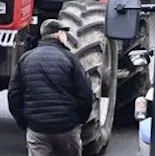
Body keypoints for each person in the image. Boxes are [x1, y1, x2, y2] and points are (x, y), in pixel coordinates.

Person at [7, 20, 93, 156]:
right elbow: (86, 93)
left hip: (37, 129)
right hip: (66, 128)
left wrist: (25, 122)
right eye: (65, 33)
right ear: (59, 34)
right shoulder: (70, 59)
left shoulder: (26, 59)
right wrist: (78, 120)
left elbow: (14, 94)